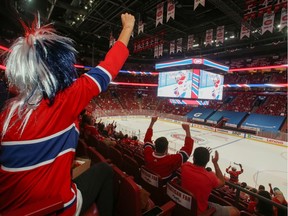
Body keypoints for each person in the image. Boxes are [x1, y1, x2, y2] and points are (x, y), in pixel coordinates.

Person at [0, 13, 135, 215]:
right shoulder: (65, 100)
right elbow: (108, 68)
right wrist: (127, 29)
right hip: (55, 207)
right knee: (105, 171)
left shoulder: (7, 114)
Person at [181, 147, 240, 216]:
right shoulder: (210, 177)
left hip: (184, 204)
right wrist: (215, 163)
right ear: (207, 161)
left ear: (193, 158)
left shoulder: (185, 166)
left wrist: (201, 153)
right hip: (199, 212)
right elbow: (222, 182)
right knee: (236, 211)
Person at [143, 116, 193, 182]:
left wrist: (152, 122)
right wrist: (187, 130)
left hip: (149, 181)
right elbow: (186, 152)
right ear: (166, 149)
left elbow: (147, 140)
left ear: (154, 146)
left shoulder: (148, 152)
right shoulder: (170, 160)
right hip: (164, 185)